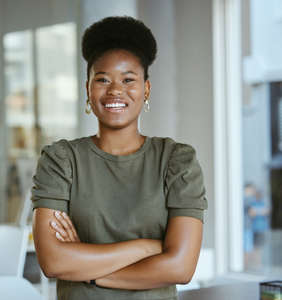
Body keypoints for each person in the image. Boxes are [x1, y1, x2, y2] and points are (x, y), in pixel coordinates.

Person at [31, 16, 208, 300]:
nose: (115, 90)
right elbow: (53, 261)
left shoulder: (177, 161)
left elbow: (180, 267)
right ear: (88, 90)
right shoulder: (60, 160)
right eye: (102, 79)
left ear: (146, 89)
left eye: (128, 79)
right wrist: (148, 248)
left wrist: (89, 270)